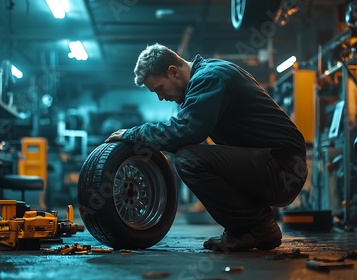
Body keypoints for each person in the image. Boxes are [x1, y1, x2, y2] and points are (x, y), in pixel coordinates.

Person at [105, 43, 307, 252]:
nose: (161, 98)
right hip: (273, 163)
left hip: (282, 167)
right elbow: (186, 132)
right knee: (193, 154)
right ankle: (256, 229)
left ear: (173, 72)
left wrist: (133, 134)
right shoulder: (208, 76)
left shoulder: (210, 78)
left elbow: (187, 130)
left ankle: (255, 227)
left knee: (188, 159)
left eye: (160, 89)